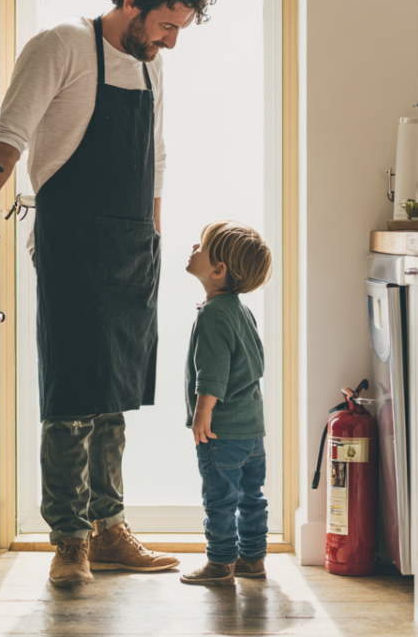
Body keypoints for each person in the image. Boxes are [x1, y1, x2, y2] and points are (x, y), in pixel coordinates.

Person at [0, 0, 216, 588]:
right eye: (165, 25)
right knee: (73, 387)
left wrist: (153, 236)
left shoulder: (152, 68)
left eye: (180, 29)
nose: (171, 41)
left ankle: (109, 531)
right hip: (72, 236)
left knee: (114, 393)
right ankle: (68, 541)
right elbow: (12, 128)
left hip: (133, 244)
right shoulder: (63, 44)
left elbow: (155, 157)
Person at [180, 220, 273, 585]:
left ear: (219, 271)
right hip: (251, 428)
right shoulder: (239, 309)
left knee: (220, 499)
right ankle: (253, 559)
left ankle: (220, 563)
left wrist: (203, 415)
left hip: (223, 432)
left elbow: (213, 372)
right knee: (252, 497)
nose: (193, 247)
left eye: (201, 246)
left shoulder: (215, 314)